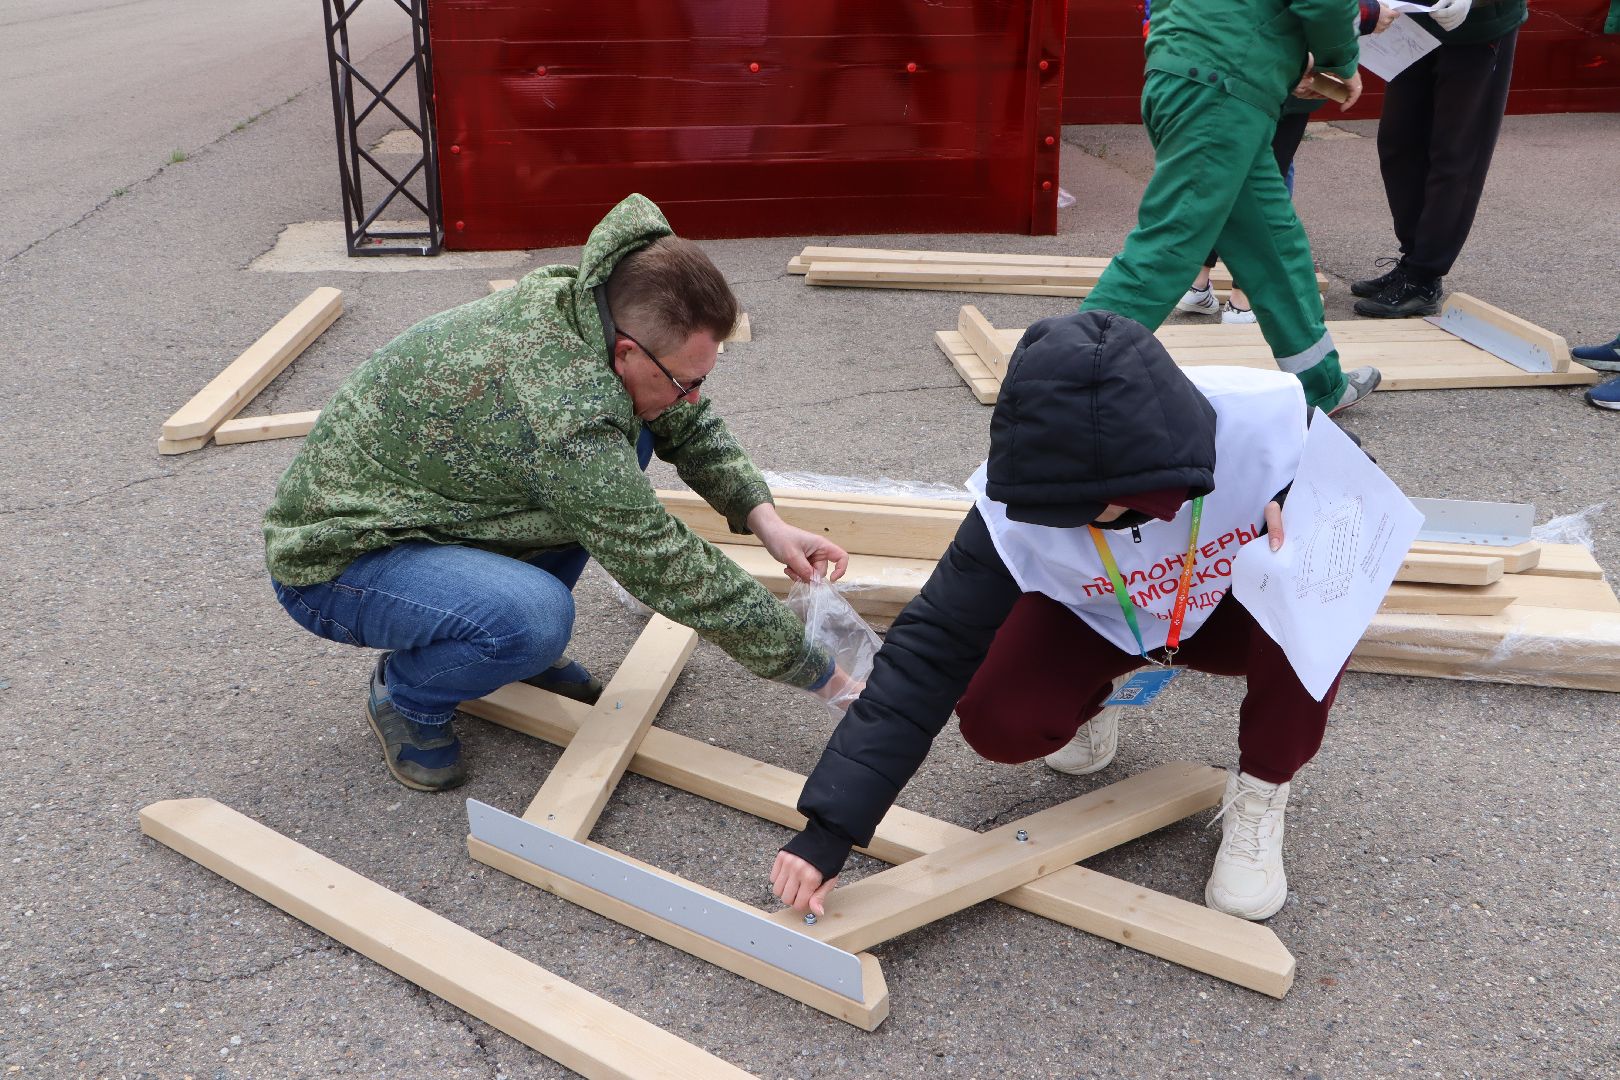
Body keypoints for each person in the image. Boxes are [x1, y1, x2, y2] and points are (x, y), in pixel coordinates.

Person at [770, 310, 1348, 922]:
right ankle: (1096, 698)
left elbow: (1352, 485)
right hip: (1105, 614)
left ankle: (1262, 790)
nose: (1079, 520)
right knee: (1000, 721)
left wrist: (1302, 499)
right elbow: (928, 653)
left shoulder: (1261, 420)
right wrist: (829, 830)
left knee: (1314, 593)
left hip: (1230, 612)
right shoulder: (1014, 501)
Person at [263, 193, 854, 792]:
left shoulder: (586, 310)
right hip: (338, 560)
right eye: (685, 381)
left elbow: (686, 422)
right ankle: (407, 693)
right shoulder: (565, 407)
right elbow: (666, 564)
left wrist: (767, 522)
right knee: (535, 619)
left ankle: (490, 639)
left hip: (431, 510)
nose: (693, 397)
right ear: (629, 351)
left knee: (637, 439)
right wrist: (826, 676)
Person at [1079, 0, 1382, 416]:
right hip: (1222, 91)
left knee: (1273, 245)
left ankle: (1319, 384)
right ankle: (1065, 380)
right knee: (1169, 246)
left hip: (1198, 77)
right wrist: (1342, 59)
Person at [1178, 1, 1400, 324]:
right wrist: (1367, 16)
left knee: (1229, 175)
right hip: (1269, 66)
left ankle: (1198, 282)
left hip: (1226, 59)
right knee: (1264, 184)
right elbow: (1322, 6)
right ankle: (1244, 299)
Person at [1350, 0, 1529, 317]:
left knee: (1456, 154)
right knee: (1398, 143)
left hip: (1479, 27)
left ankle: (1423, 277)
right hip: (1415, 23)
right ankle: (1413, 256)